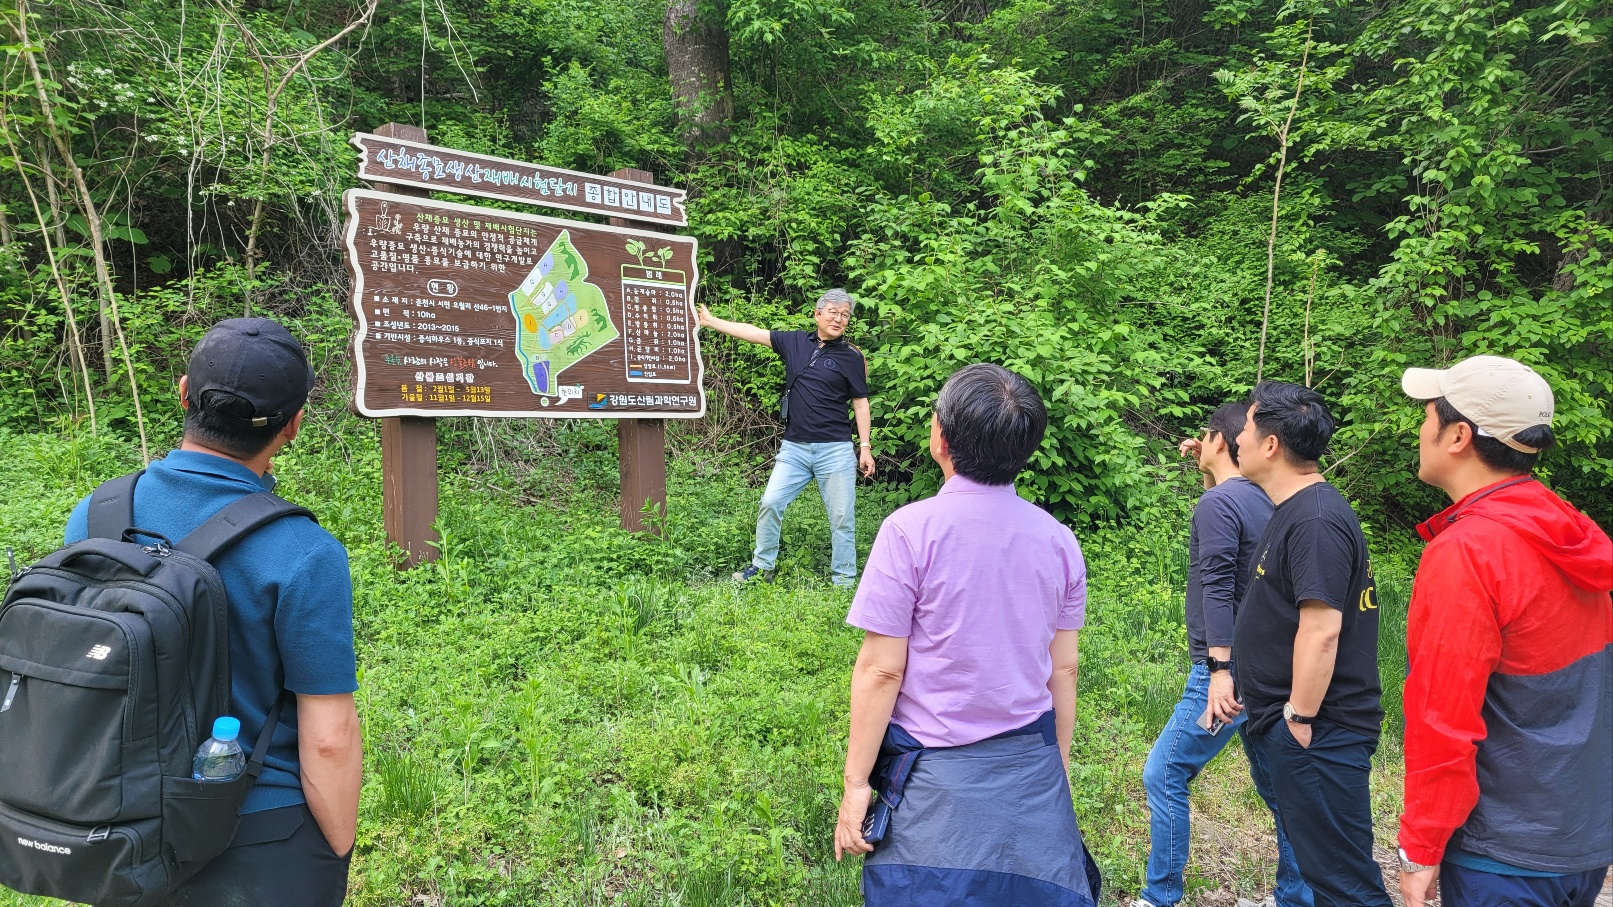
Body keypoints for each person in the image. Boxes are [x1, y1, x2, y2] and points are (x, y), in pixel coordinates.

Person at [65, 318, 361, 906]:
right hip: (257, 832)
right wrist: (334, 851)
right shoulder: (304, 552)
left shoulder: (96, 514)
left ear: (183, 393)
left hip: (118, 823)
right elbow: (329, 738)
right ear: (293, 426)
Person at [832, 363, 1101, 906]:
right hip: (1028, 761)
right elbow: (1064, 668)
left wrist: (856, 786)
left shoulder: (909, 531)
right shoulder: (1059, 541)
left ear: (940, 437)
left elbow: (883, 669)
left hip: (933, 772)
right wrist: (1058, 770)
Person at [1396, 355, 1611, 907]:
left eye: (1426, 416)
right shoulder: (1566, 531)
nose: (1418, 428)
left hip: (1503, 855)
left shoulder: (1468, 553)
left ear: (1458, 436)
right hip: (1581, 838)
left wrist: (1420, 849)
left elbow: (1441, 716)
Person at [1138, 403, 1312, 907]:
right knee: (1282, 793)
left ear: (1219, 440)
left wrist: (1217, 671)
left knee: (1164, 771)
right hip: (1265, 667)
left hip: (1225, 673)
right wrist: (1212, 470)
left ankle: (1158, 896)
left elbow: (1216, 584)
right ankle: (1296, 898)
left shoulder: (1219, 504)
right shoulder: (1259, 498)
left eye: (1206, 437)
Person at [1231, 381, 1392, 907]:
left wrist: (1297, 718)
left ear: (1271, 444)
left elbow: (1322, 631)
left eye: (1248, 427)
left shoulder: (1316, 519)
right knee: (1326, 875)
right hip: (1294, 727)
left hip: (1318, 731)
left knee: (1346, 886)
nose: (1238, 438)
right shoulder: (1296, 509)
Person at [697, 289, 875, 586]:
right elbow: (753, 333)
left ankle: (843, 580)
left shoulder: (852, 357)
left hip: (835, 449)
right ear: (817, 314)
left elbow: (860, 403)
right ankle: (761, 566)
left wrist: (865, 448)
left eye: (845, 315)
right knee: (770, 502)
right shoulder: (794, 342)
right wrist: (712, 321)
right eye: (833, 312)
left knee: (842, 518)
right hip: (794, 449)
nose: (839, 318)